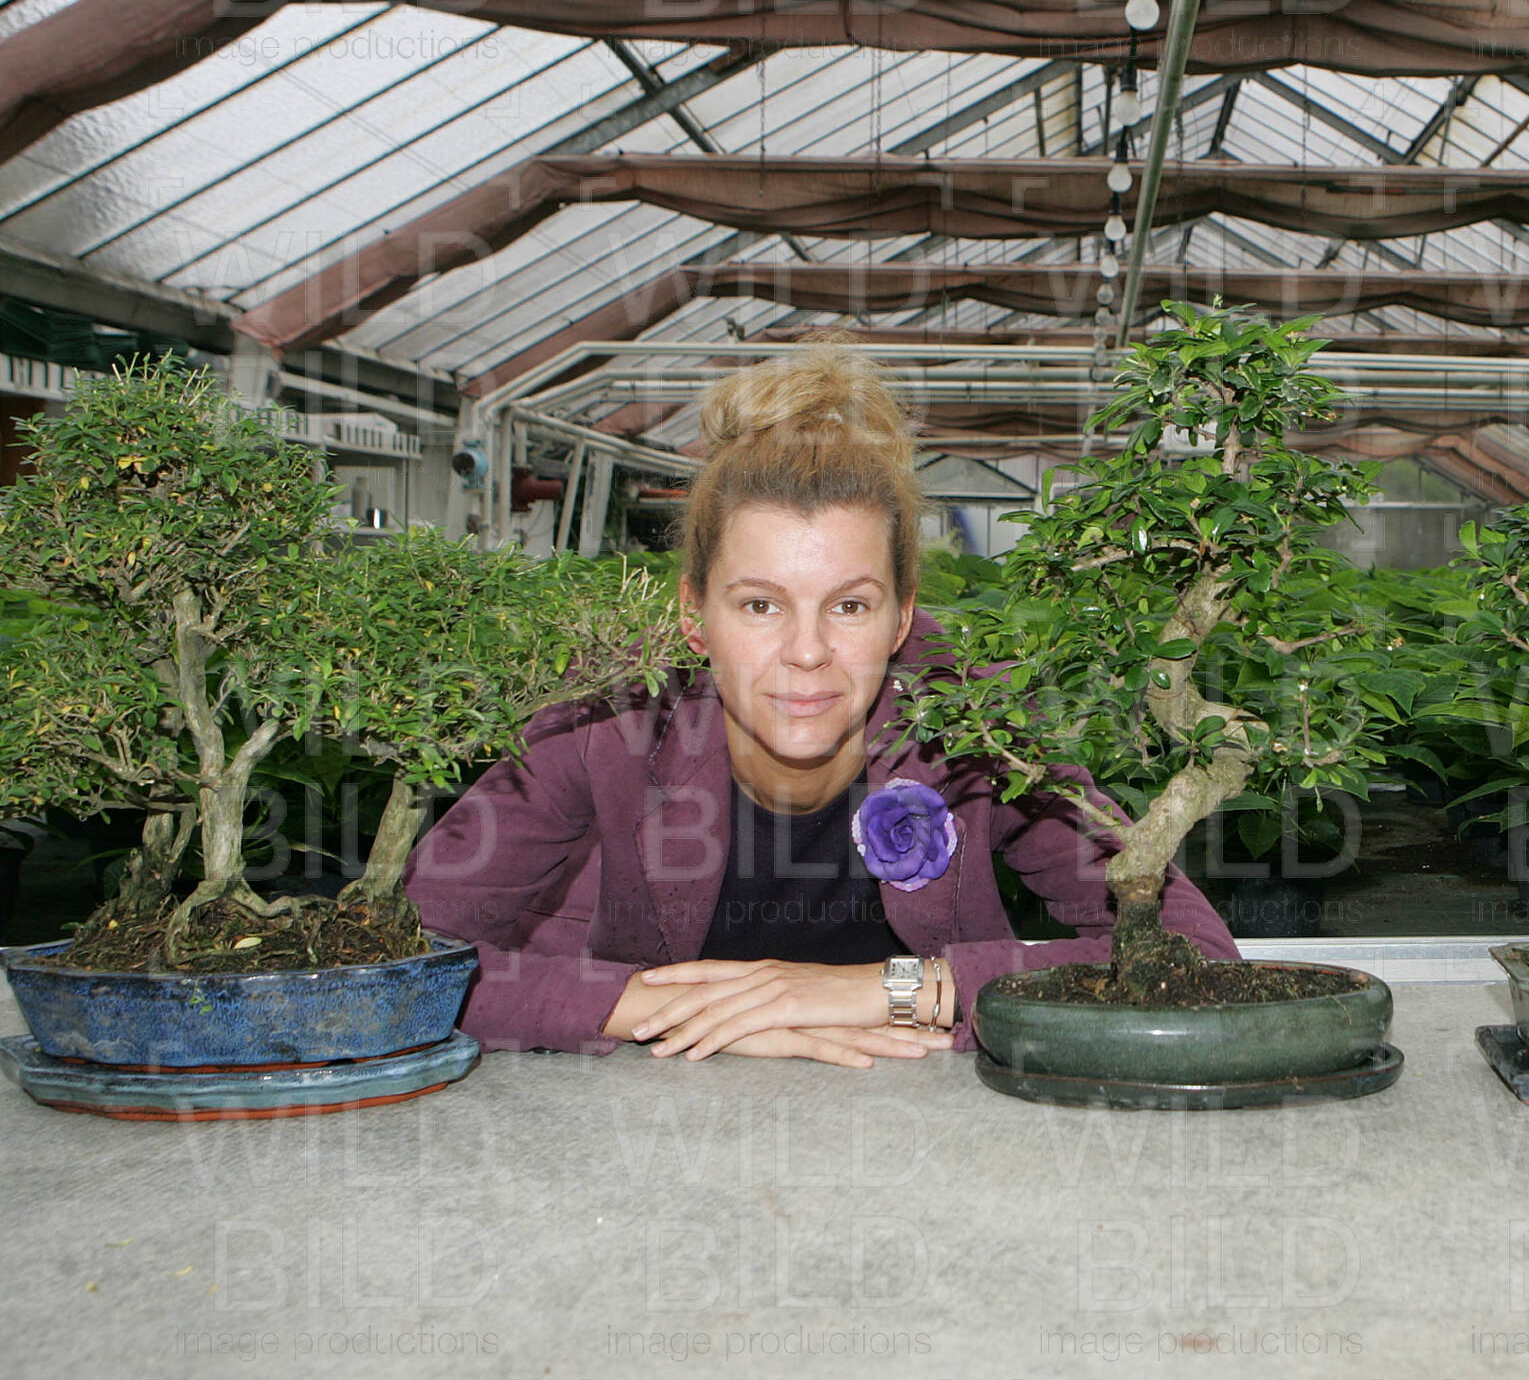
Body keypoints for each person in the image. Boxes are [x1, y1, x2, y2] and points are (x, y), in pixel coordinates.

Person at [401, 346, 1239, 1066]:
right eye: (760, 605)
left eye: (849, 605)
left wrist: (886, 989)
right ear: (694, 616)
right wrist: (670, 1010)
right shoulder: (604, 723)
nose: (807, 651)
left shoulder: (977, 723)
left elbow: (1196, 958)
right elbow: (399, 962)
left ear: (902, 617)